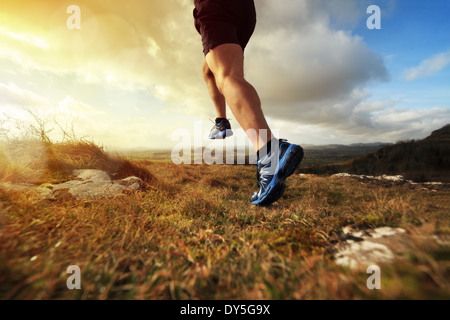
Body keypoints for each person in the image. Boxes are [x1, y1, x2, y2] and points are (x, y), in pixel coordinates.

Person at [193, 0, 304, 205]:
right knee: (210, 70)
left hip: (215, 5)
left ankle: (269, 150)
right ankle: (221, 123)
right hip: (244, 10)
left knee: (228, 77)